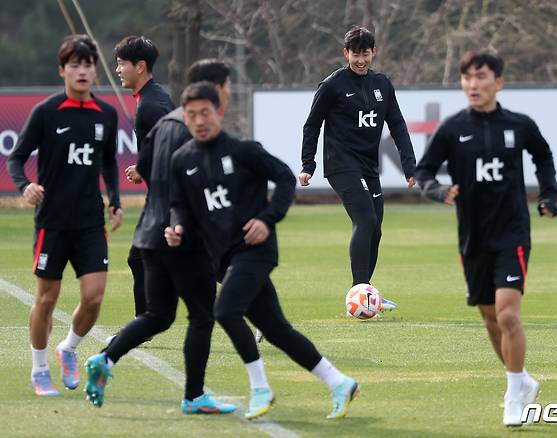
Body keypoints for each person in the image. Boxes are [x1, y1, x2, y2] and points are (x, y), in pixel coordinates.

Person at [165, 82, 359, 419]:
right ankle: (338, 381)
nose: (199, 120)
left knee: (225, 311)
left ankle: (260, 387)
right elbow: (178, 204)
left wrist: (267, 219)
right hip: (221, 258)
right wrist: (177, 226)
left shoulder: (243, 149)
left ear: (219, 112)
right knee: (277, 329)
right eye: (191, 115)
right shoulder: (182, 160)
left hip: (255, 250)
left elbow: (285, 178)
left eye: (205, 113)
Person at [415, 49, 557, 426]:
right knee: (491, 318)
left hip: (512, 233)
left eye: (480, 77)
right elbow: (425, 170)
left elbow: (543, 157)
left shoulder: (519, 124)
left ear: (499, 82)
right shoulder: (451, 128)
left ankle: (514, 396)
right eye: (467, 78)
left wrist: (548, 195)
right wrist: (438, 190)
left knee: (509, 314)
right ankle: (522, 379)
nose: (473, 85)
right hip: (473, 237)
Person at [83, 60, 236, 414]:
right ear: (213, 87)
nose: (227, 91)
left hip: (149, 233)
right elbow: (194, 181)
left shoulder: (166, 122)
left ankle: (105, 360)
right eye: (225, 85)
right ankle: (194, 397)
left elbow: (146, 167)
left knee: (158, 315)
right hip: (177, 234)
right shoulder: (194, 127)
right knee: (201, 316)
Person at [6, 34, 123, 396]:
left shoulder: (106, 114)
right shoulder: (46, 112)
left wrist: (115, 201)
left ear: (94, 71)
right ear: (63, 70)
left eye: (88, 64)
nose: (82, 71)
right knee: (47, 299)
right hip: (52, 222)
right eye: (75, 65)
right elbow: (15, 157)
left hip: (90, 221)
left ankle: (68, 348)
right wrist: (25, 185)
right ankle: (39, 368)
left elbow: (108, 163)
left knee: (94, 297)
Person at [299, 26, 416, 310]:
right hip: (341, 164)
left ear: (373, 52)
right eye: (355, 54)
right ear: (346, 53)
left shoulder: (382, 84)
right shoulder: (332, 86)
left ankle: (366, 293)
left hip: (367, 165)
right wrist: (308, 164)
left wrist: (409, 165)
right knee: (365, 219)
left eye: (365, 53)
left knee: (375, 227)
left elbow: (398, 125)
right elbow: (312, 124)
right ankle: (360, 294)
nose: (360, 60)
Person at [114, 35, 175, 320]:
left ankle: (147, 320)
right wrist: (144, 166)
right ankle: (147, 320)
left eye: (121, 64)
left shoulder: (150, 105)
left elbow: (173, 149)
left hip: (169, 196)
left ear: (140, 66)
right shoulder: (153, 97)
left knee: (198, 263)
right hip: (164, 194)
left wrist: (142, 169)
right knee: (141, 258)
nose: (117, 70)